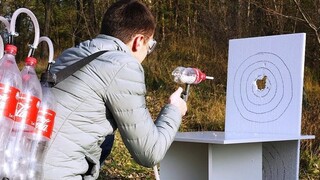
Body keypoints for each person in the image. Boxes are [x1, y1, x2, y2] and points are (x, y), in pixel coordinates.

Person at [43, 0, 187, 179]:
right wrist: (174, 110)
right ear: (139, 41)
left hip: (22, 166)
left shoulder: (71, 54)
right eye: (150, 46)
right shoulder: (122, 64)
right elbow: (150, 153)